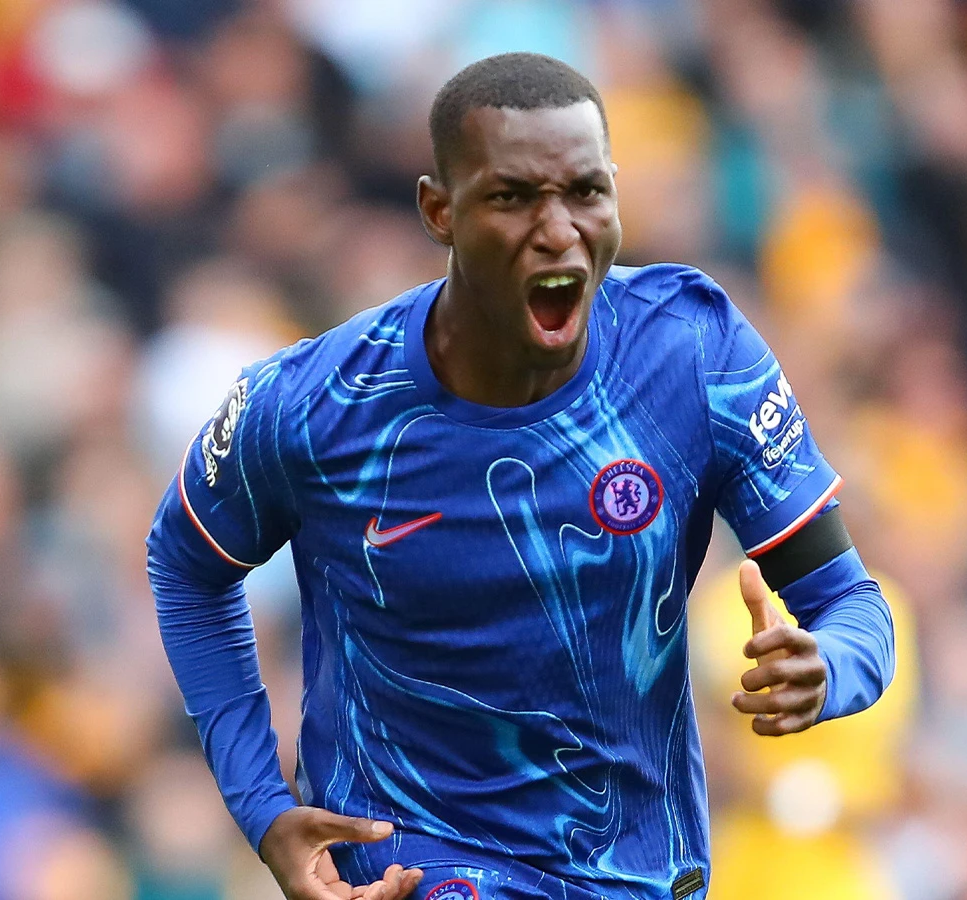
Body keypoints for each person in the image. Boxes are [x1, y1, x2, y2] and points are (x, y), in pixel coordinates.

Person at [146, 52, 895, 900]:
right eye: (512, 197)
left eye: (585, 192)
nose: (558, 229)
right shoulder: (316, 405)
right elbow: (185, 564)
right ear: (439, 211)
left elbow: (852, 605)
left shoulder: (693, 355)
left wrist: (826, 668)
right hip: (413, 862)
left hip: (634, 876)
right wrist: (262, 806)